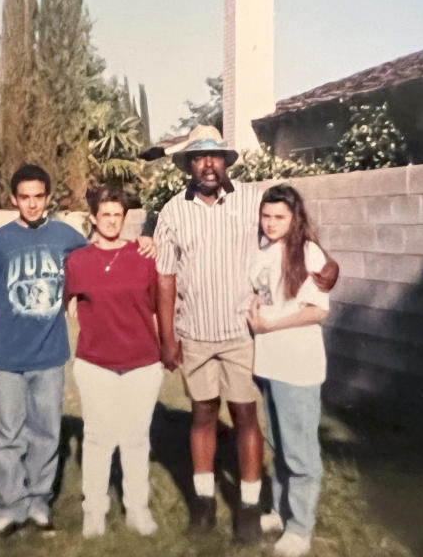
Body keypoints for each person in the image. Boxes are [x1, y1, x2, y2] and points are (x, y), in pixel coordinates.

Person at [153, 125, 339, 544]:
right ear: (189, 164)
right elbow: (165, 277)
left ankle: (251, 508)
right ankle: (203, 503)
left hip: (242, 334)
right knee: (202, 415)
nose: (208, 164)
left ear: (225, 161)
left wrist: (329, 265)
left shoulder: (254, 201)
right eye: (199, 157)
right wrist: (167, 338)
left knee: (245, 418)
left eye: (215, 155)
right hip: (195, 332)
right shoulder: (171, 212)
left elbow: (290, 230)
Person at [0, 164, 87, 536]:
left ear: (48, 197)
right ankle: (9, 506)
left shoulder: (66, 236)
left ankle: (38, 502)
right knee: (7, 435)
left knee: (47, 432)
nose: (33, 204)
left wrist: (144, 243)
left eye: (39, 196)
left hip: (50, 355)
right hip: (6, 356)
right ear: (13, 199)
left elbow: (100, 257)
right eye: (25, 197)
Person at [64, 186, 164, 538]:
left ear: (125, 218)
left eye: (117, 215)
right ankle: (94, 510)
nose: (111, 221)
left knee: (136, 438)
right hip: (96, 364)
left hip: (141, 362)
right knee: (97, 437)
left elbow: (160, 306)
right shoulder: (76, 261)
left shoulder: (144, 257)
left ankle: (137, 508)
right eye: (104, 214)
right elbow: (61, 304)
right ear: (93, 217)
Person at [246, 184, 330, 557]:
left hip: (298, 366)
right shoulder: (264, 252)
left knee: (300, 453)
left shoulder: (309, 253)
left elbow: (318, 311)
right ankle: (281, 513)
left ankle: (301, 528)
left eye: (280, 216)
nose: (271, 223)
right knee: (279, 446)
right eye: (266, 215)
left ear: (295, 218)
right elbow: (261, 295)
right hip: (269, 363)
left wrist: (269, 325)